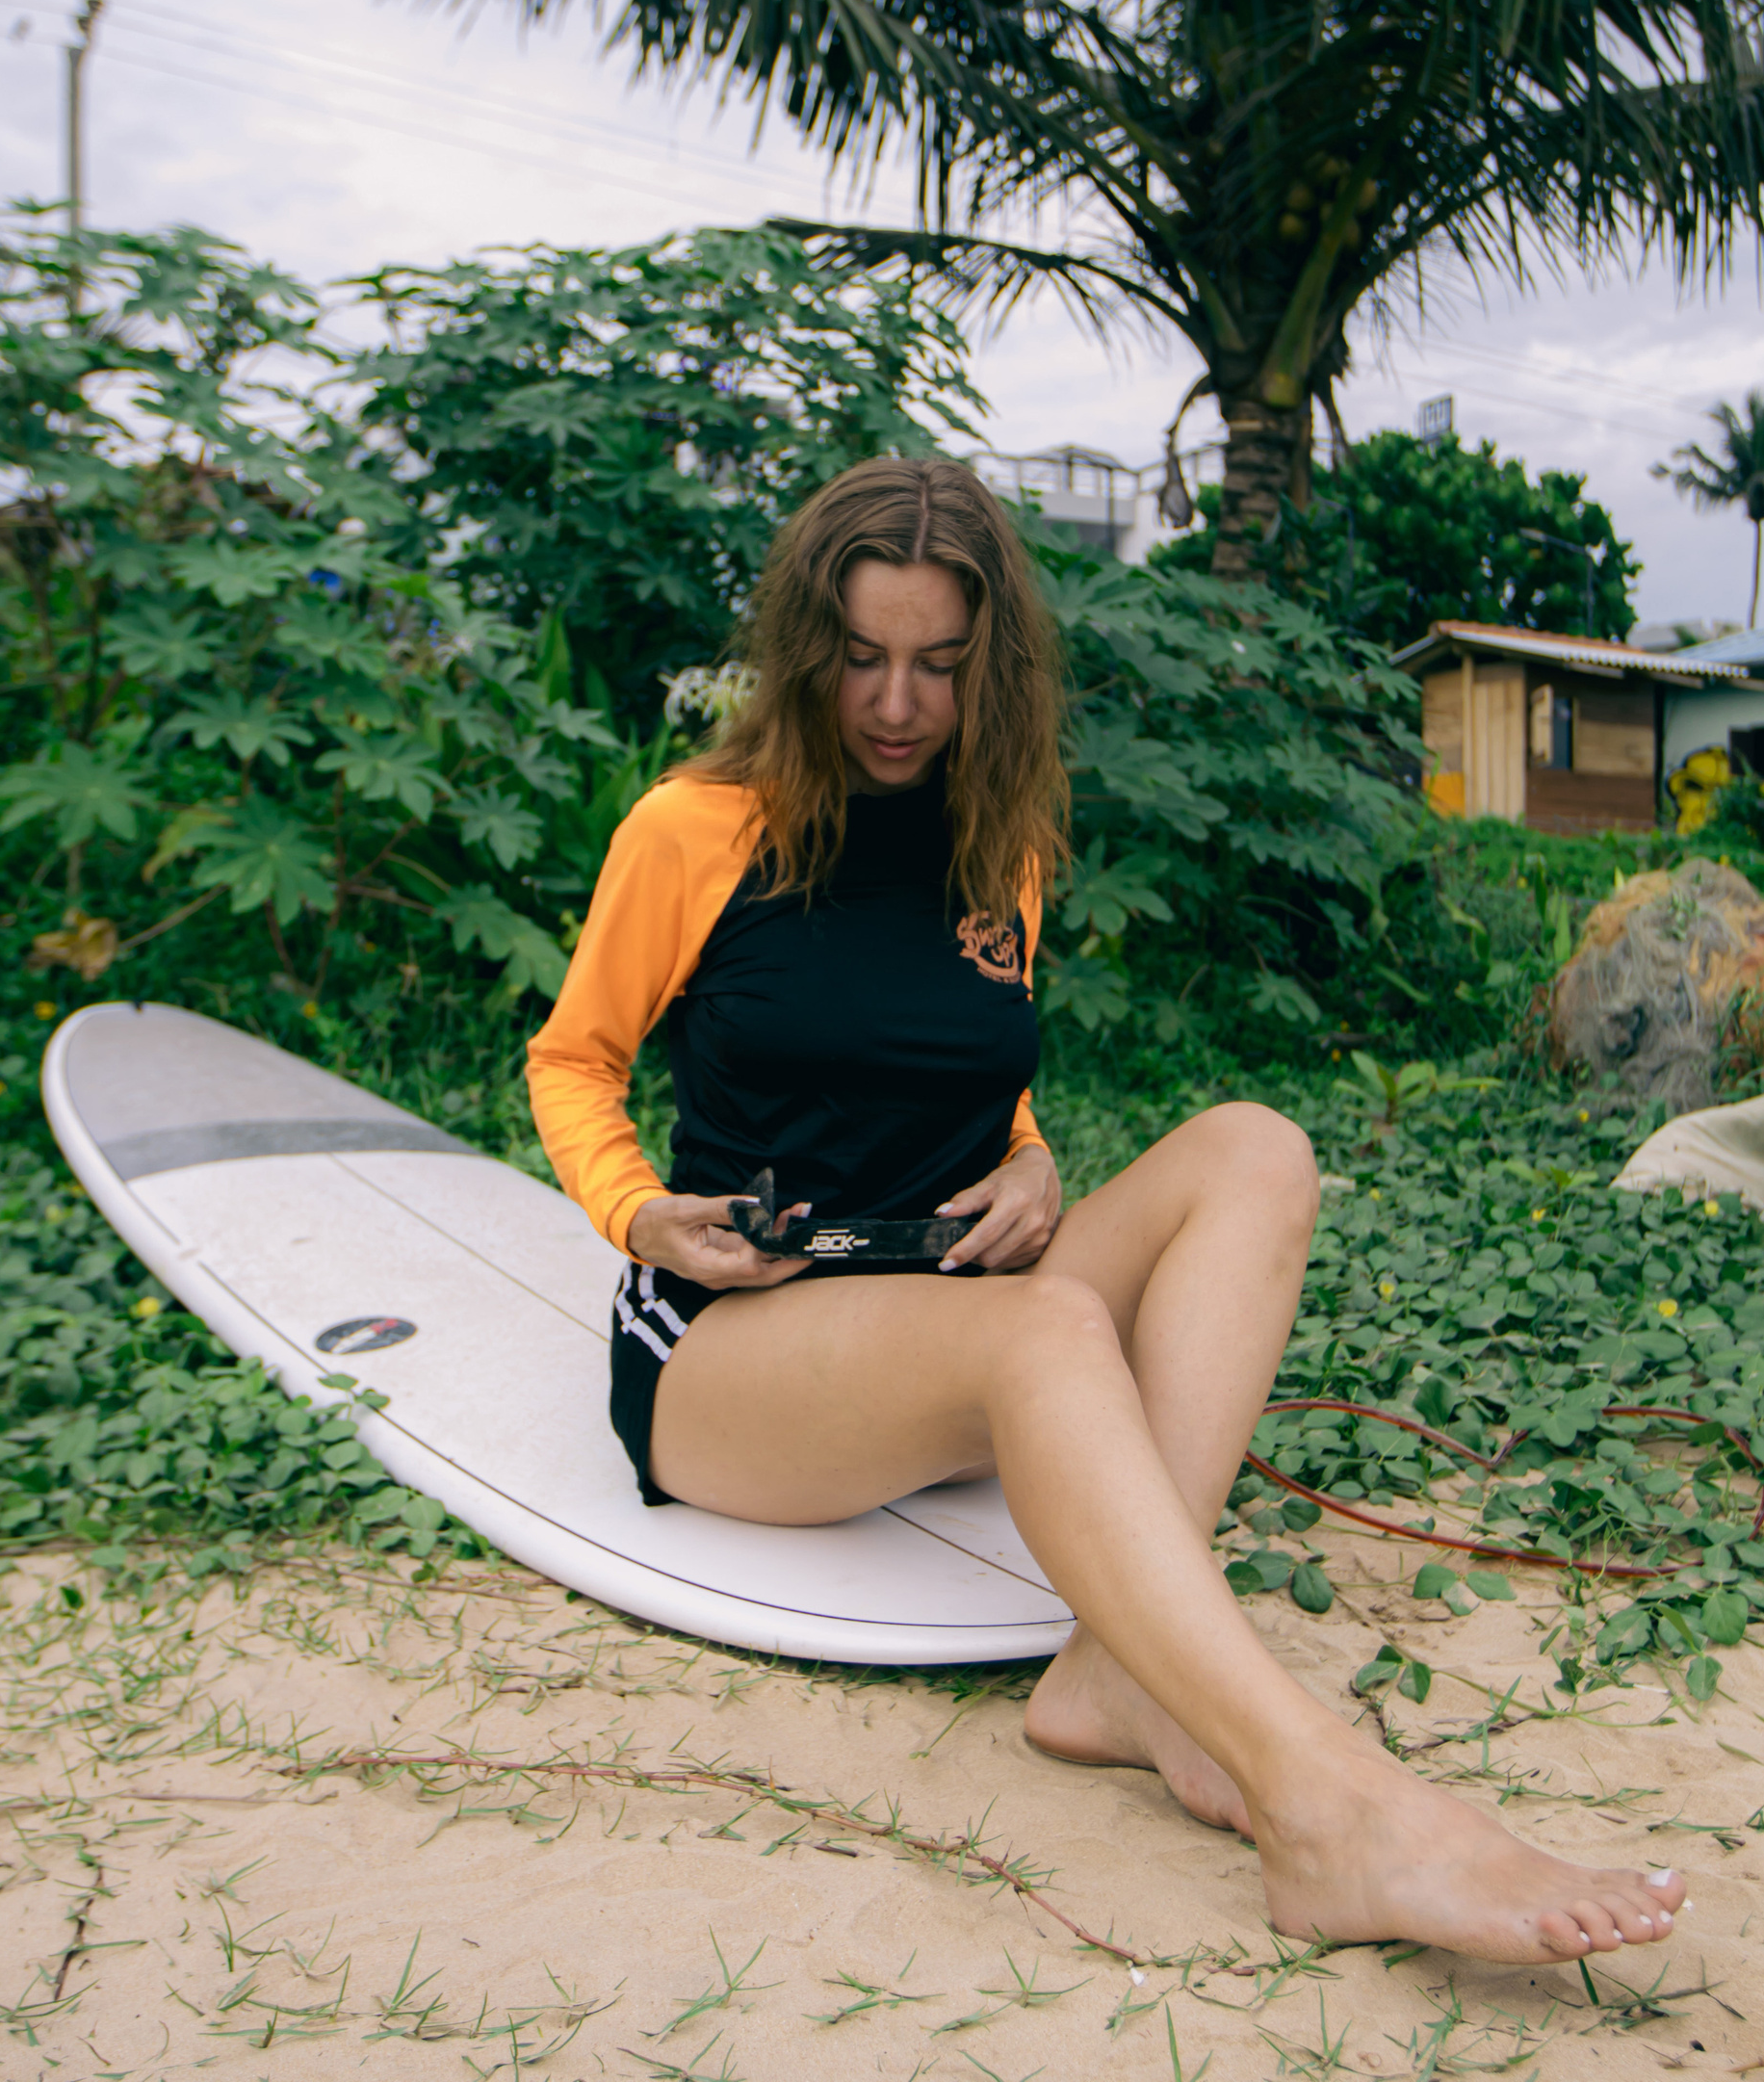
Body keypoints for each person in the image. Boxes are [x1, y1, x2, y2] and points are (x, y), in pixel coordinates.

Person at [527, 457, 1686, 1963]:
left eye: (939, 666)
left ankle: (1113, 1679)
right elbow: (573, 1059)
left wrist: (1032, 1162)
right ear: (807, 654)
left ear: (987, 663)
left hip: (946, 1300)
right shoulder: (697, 827)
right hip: (735, 1349)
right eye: (862, 662)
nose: (896, 705)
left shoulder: (995, 837)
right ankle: (1328, 1809)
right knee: (1047, 1332)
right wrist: (638, 1214)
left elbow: (976, 1074)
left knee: (1256, 1149)